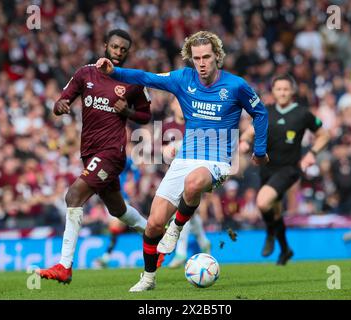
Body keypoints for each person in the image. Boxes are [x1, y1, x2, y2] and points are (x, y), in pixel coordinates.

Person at [96, 30, 269, 292]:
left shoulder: (236, 86)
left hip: (218, 161)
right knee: (153, 223)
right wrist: (114, 72)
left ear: (217, 57)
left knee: (194, 182)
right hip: (185, 158)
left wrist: (259, 150)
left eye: (207, 57)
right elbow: (146, 77)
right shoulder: (182, 79)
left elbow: (260, 112)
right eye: (197, 58)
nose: (202, 63)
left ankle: (176, 228)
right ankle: (148, 278)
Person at [36, 29, 151, 283]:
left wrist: (129, 112)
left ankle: (64, 267)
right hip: (89, 151)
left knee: (73, 195)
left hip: (112, 152)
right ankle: (155, 234)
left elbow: (146, 115)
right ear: (105, 46)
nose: (119, 53)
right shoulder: (85, 73)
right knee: (117, 209)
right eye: (115, 47)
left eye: (124, 49)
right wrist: (61, 106)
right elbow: (59, 103)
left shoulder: (133, 81)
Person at [240, 74, 330, 265]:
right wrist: (245, 143)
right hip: (266, 168)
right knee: (275, 212)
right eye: (278, 89)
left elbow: (324, 135)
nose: (282, 92)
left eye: (286, 89)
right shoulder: (265, 111)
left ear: (292, 91)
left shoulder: (303, 113)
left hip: (289, 169)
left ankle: (270, 232)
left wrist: (312, 153)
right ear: (273, 91)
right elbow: (249, 133)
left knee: (263, 203)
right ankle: (285, 250)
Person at [162, 97, 211, 268]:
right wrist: (166, 152)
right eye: (178, 102)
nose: (181, 106)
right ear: (173, 106)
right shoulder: (166, 127)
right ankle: (204, 241)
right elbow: (160, 150)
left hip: (194, 175)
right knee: (190, 213)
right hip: (174, 174)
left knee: (182, 209)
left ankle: (181, 252)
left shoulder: (196, 123)